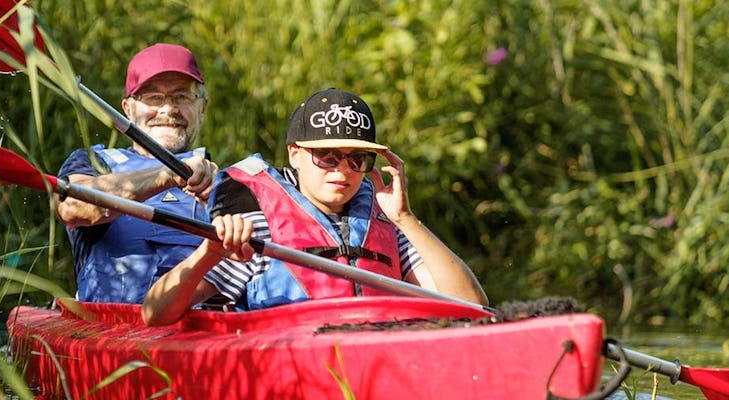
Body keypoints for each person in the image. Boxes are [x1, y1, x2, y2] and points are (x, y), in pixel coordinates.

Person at [142, 88, 488, 325]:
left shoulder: (386, 224)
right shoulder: (259, 223)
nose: (343, 171)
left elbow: (472, 305)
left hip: (379, 363)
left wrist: (405, 218)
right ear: (295, 153)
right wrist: (209, 252)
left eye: (357, 159)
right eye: (327, 156)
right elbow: (155, 315)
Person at [56, 43, 218, 303]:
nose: (168, 109)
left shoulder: (227, 179)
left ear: (202, 108)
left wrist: (221, 202)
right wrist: (167, 175)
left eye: (182, 97)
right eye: (153, 98)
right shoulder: (92, 163)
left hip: (207, 330)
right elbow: (73, 207)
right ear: (128, 109)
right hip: (115, 330)